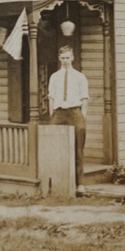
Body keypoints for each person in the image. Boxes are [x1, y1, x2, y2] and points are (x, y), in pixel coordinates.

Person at [47, 46, 89, 194]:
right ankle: (54, 181)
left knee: (78, 148)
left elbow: (84, 98)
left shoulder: (80, 77)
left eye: (68, 57)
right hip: (59, 113)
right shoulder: (54, 77)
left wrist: (82, 116)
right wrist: (52, 114)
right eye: (63, 58)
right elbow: (51, 97)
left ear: (72, 58)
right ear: (59, 59)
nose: (65, 61)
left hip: (74, 112)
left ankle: (80, 184)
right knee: (53, 145)